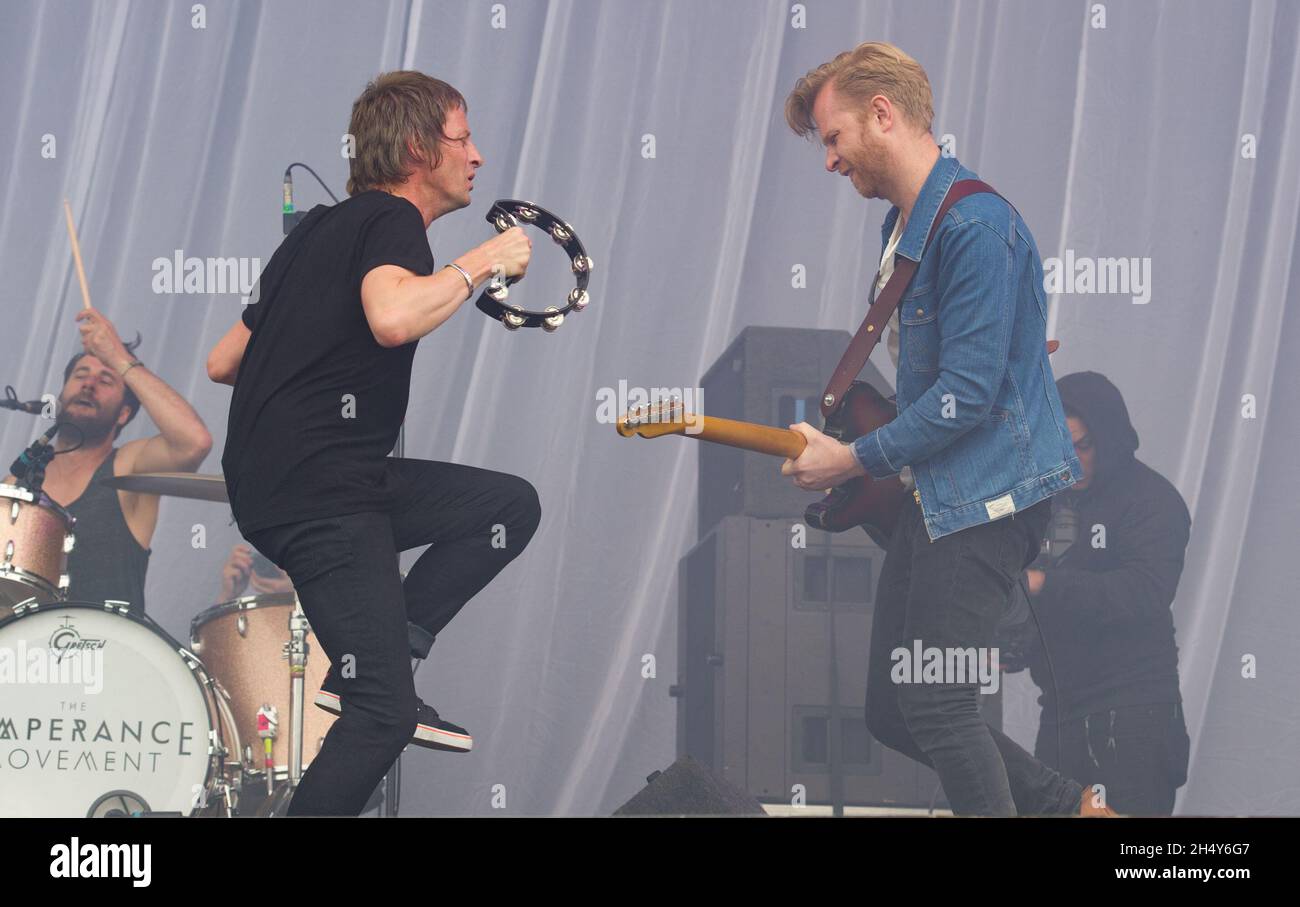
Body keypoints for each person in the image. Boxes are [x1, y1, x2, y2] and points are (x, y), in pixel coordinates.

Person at [779, 41, 1111, 815]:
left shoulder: (973, 226)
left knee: (937, 705)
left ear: (883, 114)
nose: (829, 161)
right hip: (941, 496)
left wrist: (853, 458)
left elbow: (963, 396)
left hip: (988, 501)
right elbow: (962, 372)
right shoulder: (906, 225)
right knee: (896, 708)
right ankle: (1075, 810)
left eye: (833, 138)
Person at [207, 71, 541, 816]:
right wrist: (484, 260)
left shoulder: (312, 235)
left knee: (506, 506)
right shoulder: (393, 221)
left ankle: (389, 651)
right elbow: (392, 318)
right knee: (382, 714)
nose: (479, 156)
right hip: (327, 489)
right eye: (464, 139)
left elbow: (224, 361)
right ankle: (378, 678)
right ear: (420, 148)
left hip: (296, 486)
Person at [1002, 371, 1192, 815]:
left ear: (1108, 440)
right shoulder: (1052, 501)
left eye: (1083, 446)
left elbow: (1142, 593)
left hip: (1132, 719)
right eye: (1062, 447)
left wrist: (1043, 584)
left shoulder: (1153, 501)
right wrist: (1014, 648)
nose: (1071, 460)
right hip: (1062, 713)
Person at [4, 307, 212, 610]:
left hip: (111, 652)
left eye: (106, 380)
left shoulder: (131, 468)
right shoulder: (16, 483)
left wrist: (119, 358)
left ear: (124, 413)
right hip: (29, 649)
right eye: (80, 375)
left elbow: (195, 442)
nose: (89, 384)